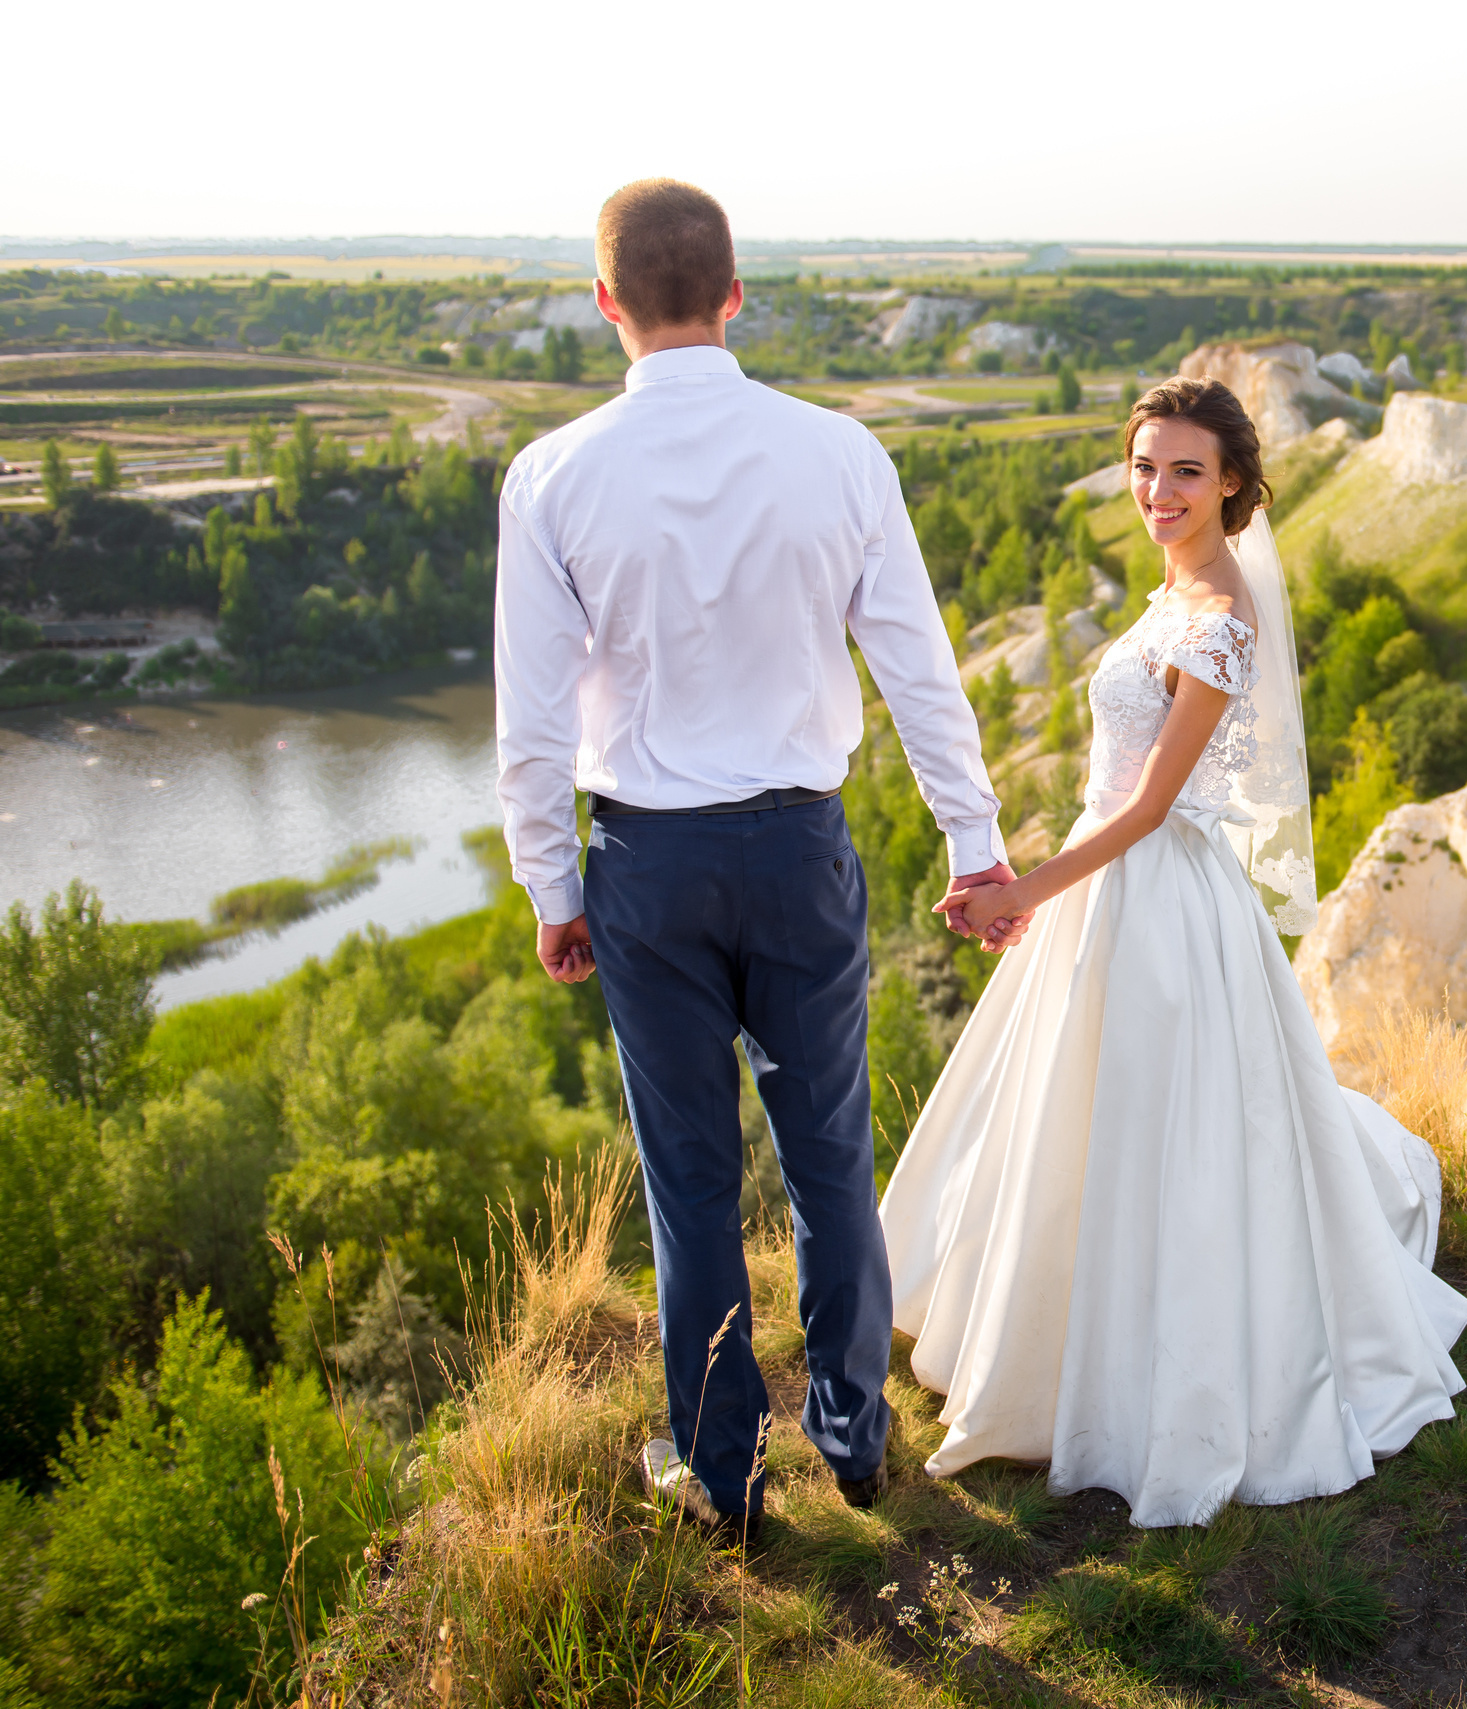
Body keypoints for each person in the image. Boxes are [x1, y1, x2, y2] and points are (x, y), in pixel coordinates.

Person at [494, 178, 1020, 1541]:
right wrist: (974, 845)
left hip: (647, 869)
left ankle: (721, 1476)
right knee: (829, 1153)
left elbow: (531, 721)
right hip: (799, 849)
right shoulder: (842, 455)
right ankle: (854, 1438)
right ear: (737, 291)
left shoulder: (551, 476)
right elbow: (918, 671)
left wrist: (553, 888)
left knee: (689, 1177)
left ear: (605, 301)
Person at [880, 377, 1467, 1528]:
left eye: (1186, 470)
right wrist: (1042, 872)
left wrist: (1022, 890)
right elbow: (1120, 778)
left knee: (1164, 1129)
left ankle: (1146, 1375)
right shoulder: (1176, 589)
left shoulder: (1219, 616)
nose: (1158, 490)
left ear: (1236, 484)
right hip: (1105, 885)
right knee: (1077, 1117)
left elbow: (1154, 805)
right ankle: (1051, 1336)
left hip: (1155, 899)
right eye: (1145, 465)